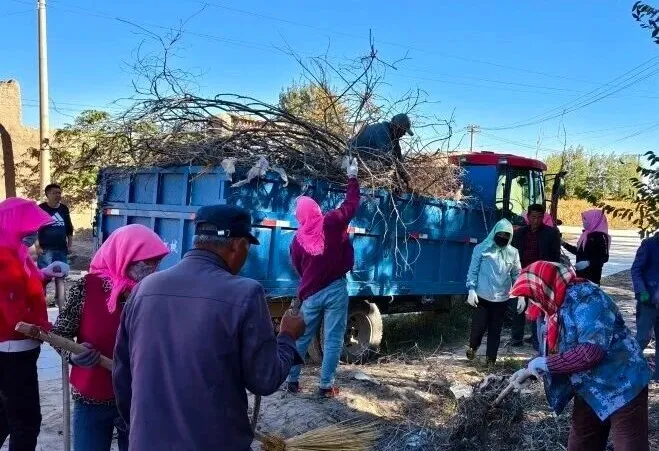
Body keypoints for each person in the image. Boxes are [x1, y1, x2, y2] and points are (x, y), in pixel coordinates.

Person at [113, 205, 305, 451]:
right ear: (237, 245)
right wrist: (287, 336)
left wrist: (140, 430)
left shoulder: (144, 289)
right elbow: (265, 380)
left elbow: (122, 375)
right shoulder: (245, 293)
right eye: (248, 247)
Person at [509, 261, 651, 451]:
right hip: (589, 389)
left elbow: (591, 351)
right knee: (581, 445)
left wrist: (545, 364)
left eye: (532, 296)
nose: (532, 302)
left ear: (544, 287)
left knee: (629, 445)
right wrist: (529, 369)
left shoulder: (588, 299)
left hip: (623, 384)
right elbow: (555, 350)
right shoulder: (551, 308)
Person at [51, 224, 169, 451]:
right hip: (92, 397)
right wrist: (73, 355)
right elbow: (59, 333)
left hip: (138, 399)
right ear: (124, 257)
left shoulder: (155, 293)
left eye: (156, 262)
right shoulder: (87, 288)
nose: (151, 268)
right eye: (145, 262)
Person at [285, 158, 360, 398]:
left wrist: (311, 280)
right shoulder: (332, 222)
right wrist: (352, 177)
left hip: (311, 293)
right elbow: (352, 204)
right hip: (336, 289)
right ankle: (325, 386)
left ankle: (292, 381)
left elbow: (299, 268)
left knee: (302, 337)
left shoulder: (297, 240)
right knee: (333, 339)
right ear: (316, 209)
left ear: (300, 216)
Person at [0, 198, 69, 450]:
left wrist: (46, 274)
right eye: (27, 229)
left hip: (19, 348)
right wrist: (46, 329)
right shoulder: (3, 257)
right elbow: (14, 309)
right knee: (26, 422)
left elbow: (27, 283)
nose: (32, 234)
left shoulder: (16, 250)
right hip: (11, 349)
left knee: (5, 416)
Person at [465, 219, 522, 365]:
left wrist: (521, 294)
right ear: (495, 233)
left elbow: (517, 274)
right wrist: (471, 289)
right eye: (500, 234)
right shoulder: (481, 249)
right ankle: (472, 347)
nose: (503, 237)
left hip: (501, 298)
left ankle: (491, 360)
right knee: (478, 327)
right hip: (482, 296)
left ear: (510, 237)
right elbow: (473, 271)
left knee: (495, 331)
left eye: (506, 235)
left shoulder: (513, 253)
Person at [511, 204, 561, 348]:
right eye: (533, 217)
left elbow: (555, 257)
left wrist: (551, 275)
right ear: (528, 217)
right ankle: (516, 338)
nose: (536, 220)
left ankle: (536, 339)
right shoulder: (520, 233)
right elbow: (513, 253)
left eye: (539, 217)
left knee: (537, 307)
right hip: (522, 273)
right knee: (518, 306)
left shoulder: (551, 233)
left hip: (540, 275)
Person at [631, 232, 659, 381]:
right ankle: (628, 369)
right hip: (648, 301)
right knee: (642, 338)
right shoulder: (649, 244)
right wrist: (641, 290)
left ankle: (657, 376)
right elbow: (636, 269)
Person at [562, 209, 610, 285]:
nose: (584, 222)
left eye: (585, 220)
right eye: (583, 220)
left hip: (592, 276)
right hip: (580, 274)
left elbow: (604, 257)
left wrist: (588, 263)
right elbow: (579, 252)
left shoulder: (601, 237)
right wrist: (564, 244)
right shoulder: (586, 234)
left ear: (593, 220)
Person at [36, 183, 74, 269]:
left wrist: (69, 246)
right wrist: (37, 247)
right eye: (54, 193)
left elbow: (69, 227)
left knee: (61, 274)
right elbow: (35, 229)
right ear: (47, 194)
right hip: (45, 249)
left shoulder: (64, 208)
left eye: (59, 193)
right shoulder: (41, 208)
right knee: (44, 274)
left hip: (62, 248)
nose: (58, 195)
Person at [349, 113, 413, 161]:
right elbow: (382, 155)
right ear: (396, 127)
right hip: (351, 157)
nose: (404, 134)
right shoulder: (382, 131)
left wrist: (401, 162)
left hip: (360, 158)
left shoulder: (393, 134)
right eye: (403, 130)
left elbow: (397, 151)